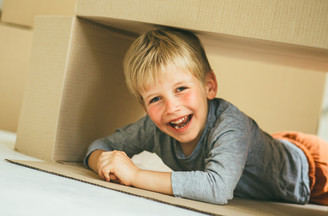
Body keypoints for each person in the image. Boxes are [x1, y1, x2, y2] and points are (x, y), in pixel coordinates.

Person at [84, 28, 328, 205]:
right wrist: (105, 164)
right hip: (261, 153)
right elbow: (101, 146)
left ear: (209, 86)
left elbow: (217, 188)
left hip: (311, 169)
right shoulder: (153, 128)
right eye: (155, 99)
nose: (172, 107)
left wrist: (135, 175)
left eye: (181, 89)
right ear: (145, 106)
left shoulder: (231, 124)